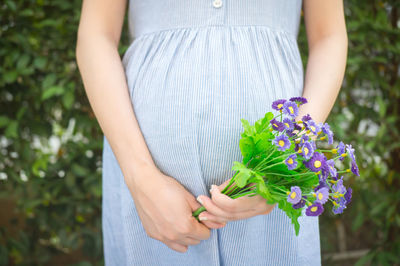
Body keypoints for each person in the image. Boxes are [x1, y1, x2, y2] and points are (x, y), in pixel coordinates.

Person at [75, 0, 347, 265]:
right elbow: (96, 34)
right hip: (147, 189)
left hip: (272, 184)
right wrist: (139, 176)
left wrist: (287, 164)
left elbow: (329, 37)